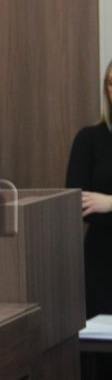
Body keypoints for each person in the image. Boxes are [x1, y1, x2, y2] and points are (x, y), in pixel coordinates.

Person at [67, 58, 112, 320]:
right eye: (111, 83)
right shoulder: (89, 139)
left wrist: (109, 203)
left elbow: (100, 205)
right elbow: (78, 202)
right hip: (102, 258)